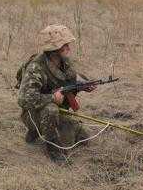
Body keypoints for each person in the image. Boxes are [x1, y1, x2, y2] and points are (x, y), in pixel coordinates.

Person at [17, 24, 96, 163]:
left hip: (59, 110)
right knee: (51, 109)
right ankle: (53, 150)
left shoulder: (64, 62)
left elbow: (71, 79)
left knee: (83, 138)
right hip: (33, 113)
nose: (68, 48)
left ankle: (37, 132)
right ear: (54, 49)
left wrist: (83, 85)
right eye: (64, 45)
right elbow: (23, 99)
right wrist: (52, 98)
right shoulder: (36, 67)